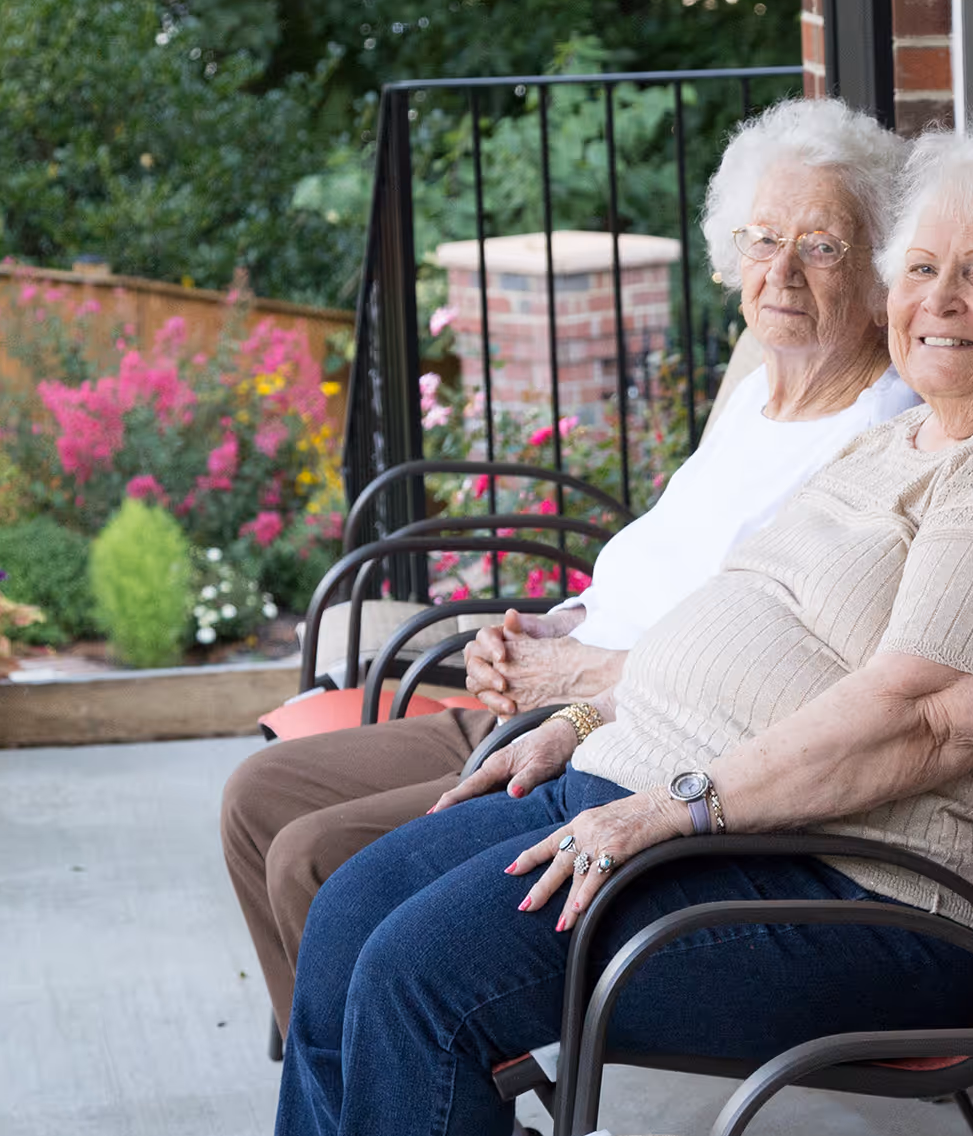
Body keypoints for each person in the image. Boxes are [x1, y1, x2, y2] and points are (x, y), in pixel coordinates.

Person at [259, 118, 973, 1136]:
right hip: (682, 801)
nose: (939, 300)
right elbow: (741, 620)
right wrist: (578, 726)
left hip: (857, 888)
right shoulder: (910, 435)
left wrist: (678, 808)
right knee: (353, 913)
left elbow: (918, 724)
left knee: (428, 978)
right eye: (924, 268)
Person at [221, 97, 915, 1044]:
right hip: (564, 690)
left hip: (624, 731)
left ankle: (431, 1098)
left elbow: (759, 658)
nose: (781, 272)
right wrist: (554, 623)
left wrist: (572, 681)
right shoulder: (760, 389)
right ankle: (363, 1100)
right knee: (258, 798)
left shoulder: (875, 432)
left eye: (822, 247)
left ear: (878, 270)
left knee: (311, 861)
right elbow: (665, 560)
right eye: (762, 240)